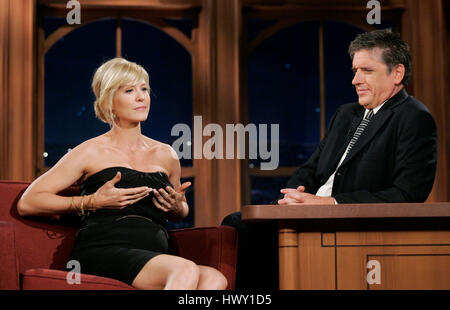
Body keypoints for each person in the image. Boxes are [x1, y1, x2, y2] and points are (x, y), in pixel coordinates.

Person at [222, 29, 438, 289]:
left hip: (349, 224)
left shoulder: (414, 117)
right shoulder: (346, 114)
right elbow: (311, 168)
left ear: (397, 73)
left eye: (366, 70)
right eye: (354, 70)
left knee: (245, 231)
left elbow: (407, 194)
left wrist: (329, 203)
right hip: (309, 213)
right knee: (236, 223)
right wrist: (295, 194)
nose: (355, 80)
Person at [18, 57, 227, 290]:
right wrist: (92, 201)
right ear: (109, 100)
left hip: (156, 253)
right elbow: (29, 202)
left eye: (144, 89)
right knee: (184, 269)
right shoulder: (90, 150)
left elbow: (181, 209)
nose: (141, 97)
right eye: (129, 90)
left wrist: (177, 207)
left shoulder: (166, 153)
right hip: (103, 250)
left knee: (215, 279)